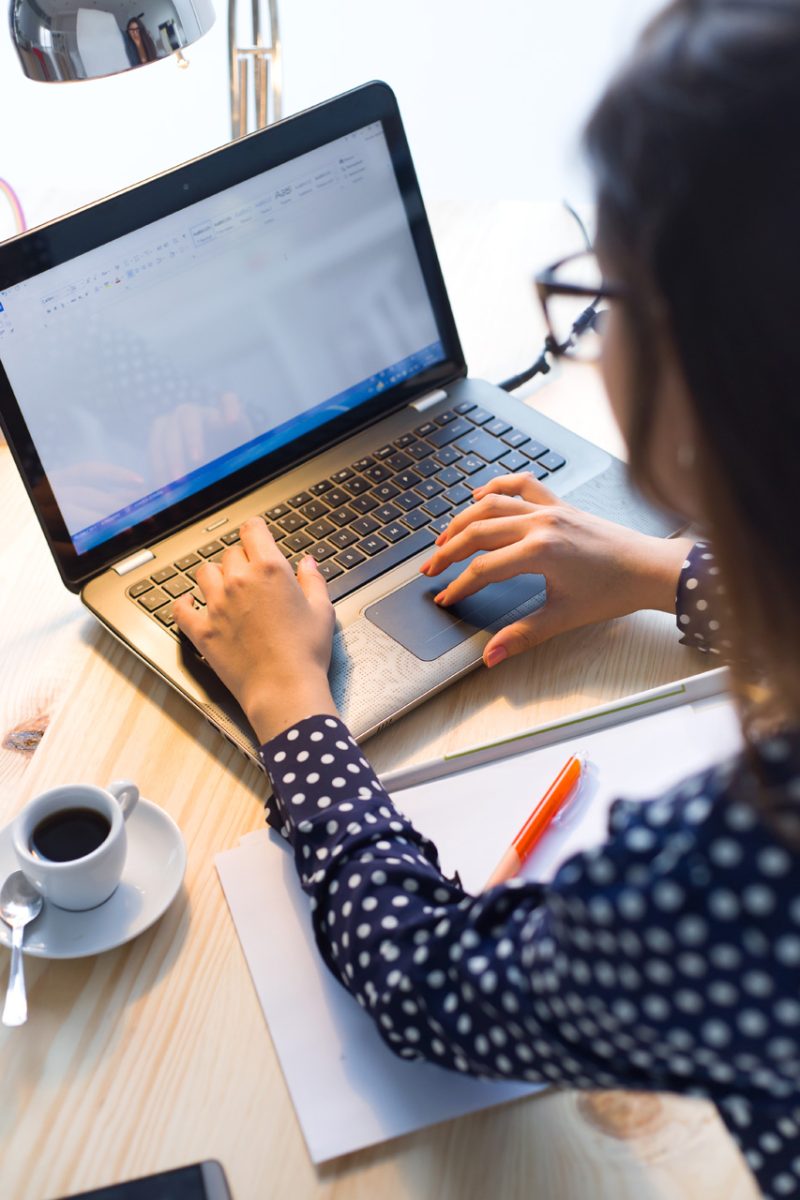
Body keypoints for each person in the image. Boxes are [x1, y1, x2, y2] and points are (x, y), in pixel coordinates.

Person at [174, 1, 800, 1195]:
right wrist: (663, 569)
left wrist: (295, 710)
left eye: (604, 300)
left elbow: (432, 990)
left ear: (704, 389)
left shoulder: (733, 878)